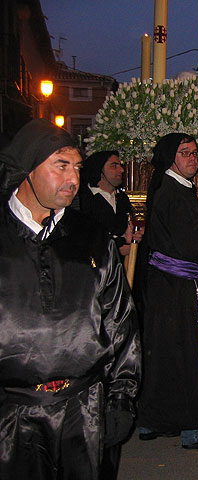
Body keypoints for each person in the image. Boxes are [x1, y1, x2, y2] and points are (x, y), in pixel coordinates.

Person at [0, 119, 141, 479]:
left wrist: (121, 396)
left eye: (77, 167)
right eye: (61, 165)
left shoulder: (92, 238)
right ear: (27, 169)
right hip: (12, 417)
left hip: (84, 411)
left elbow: (120, 321)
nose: (74, 179)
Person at [137, 133, 198, 449]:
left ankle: (153, 420)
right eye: (186, 153)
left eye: (195, 153)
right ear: (171, 158)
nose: (194, 159)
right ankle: (193, 427)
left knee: (164, 353)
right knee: (191, 354)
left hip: (165, 286)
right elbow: (194, 245)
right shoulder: (174, 192)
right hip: (182, 287)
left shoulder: (170, 188)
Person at [79, 150, 143, 257]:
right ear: (99, 169)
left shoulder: (122, 198)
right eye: (114, 166)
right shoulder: (84, 199)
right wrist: (117, 247)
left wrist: (136, 236)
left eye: (120, 165)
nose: (121, 170)